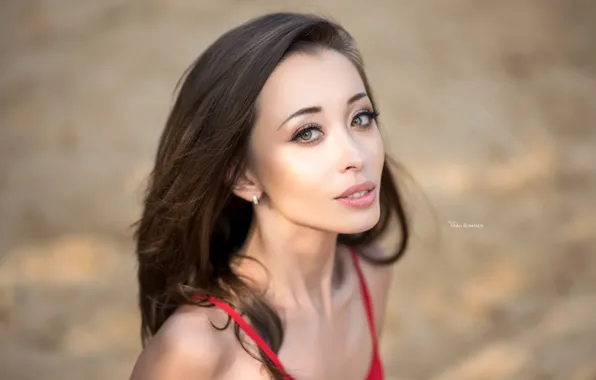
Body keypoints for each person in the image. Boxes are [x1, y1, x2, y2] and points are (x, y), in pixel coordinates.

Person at [130, 11, 409, 380]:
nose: (356, 157)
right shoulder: (198, 350)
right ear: (242, 176)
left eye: (360, 118)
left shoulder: (372, 275)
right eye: (307, 133)